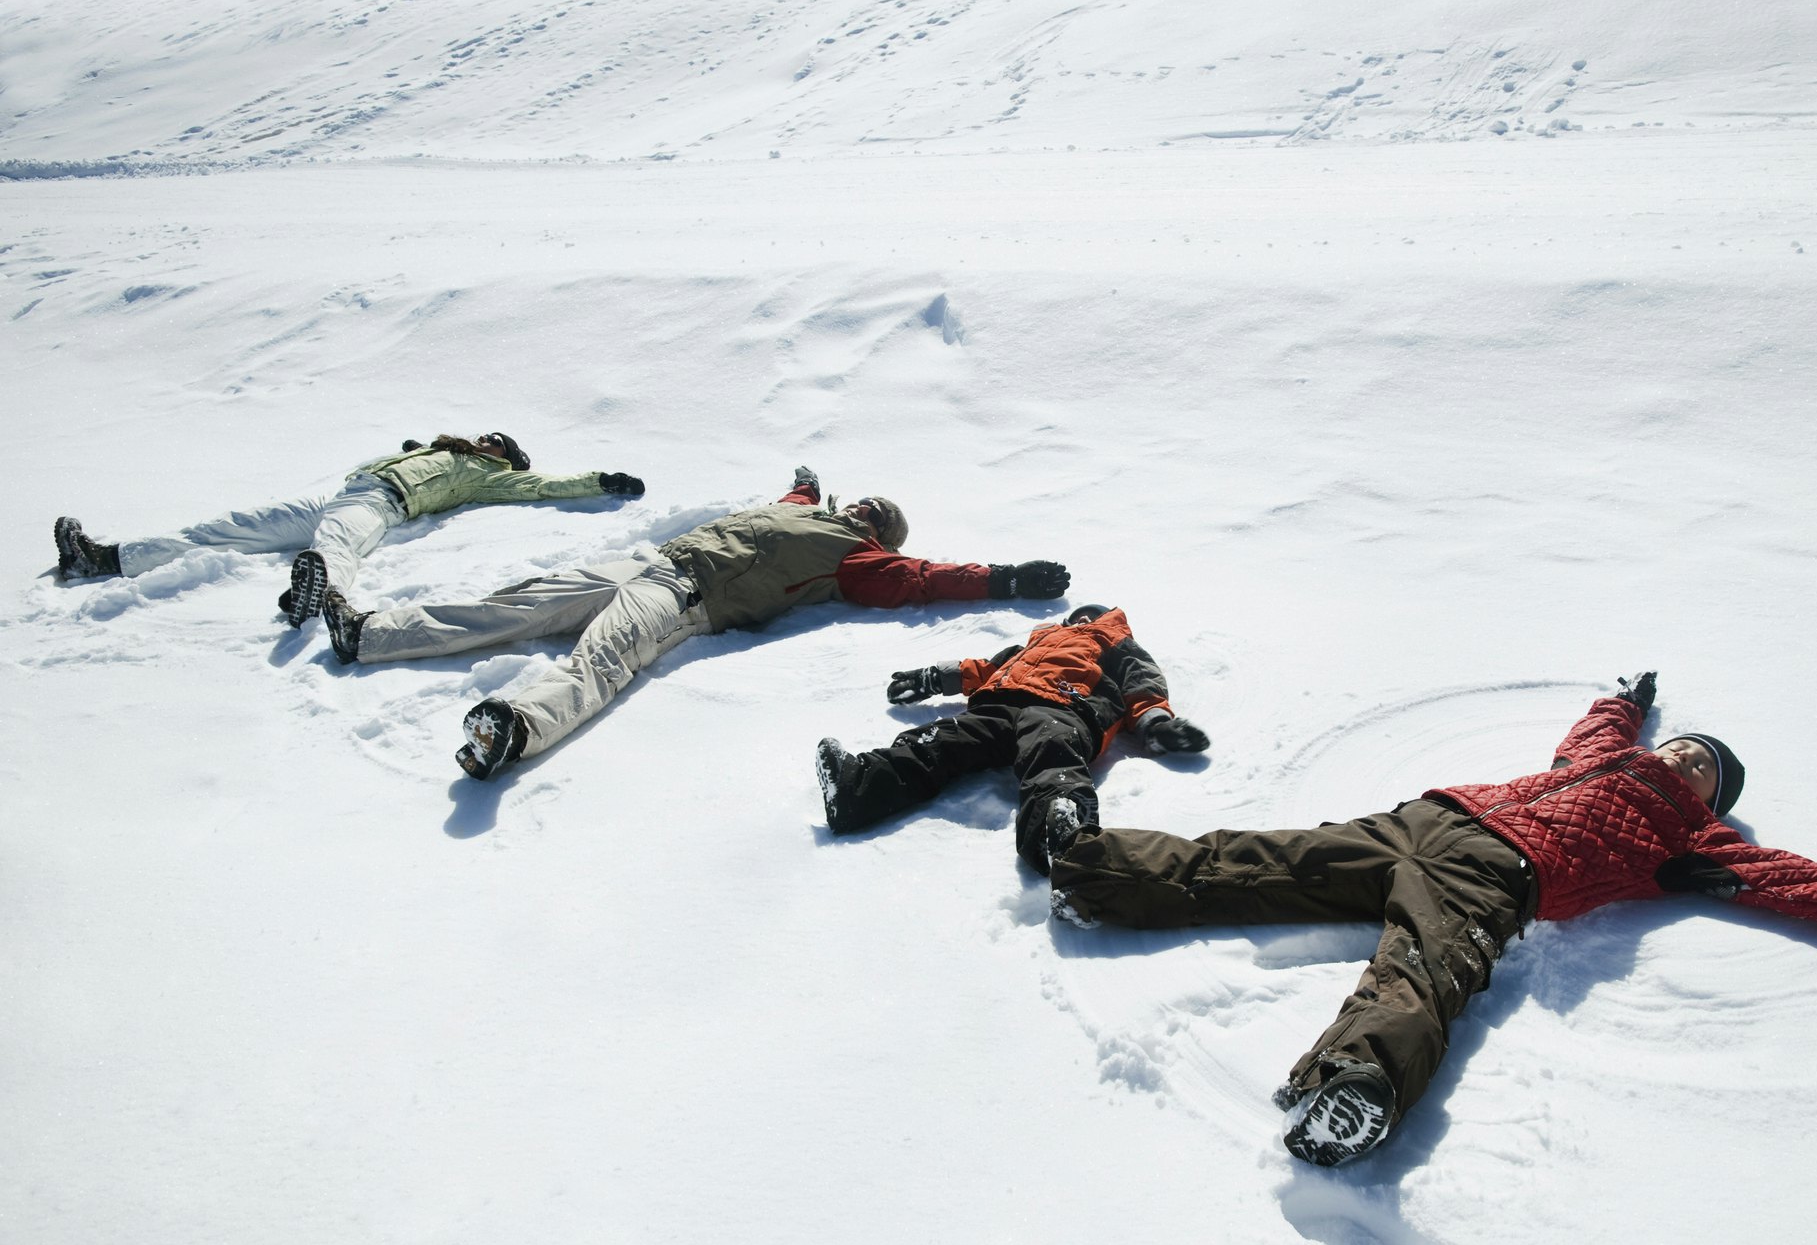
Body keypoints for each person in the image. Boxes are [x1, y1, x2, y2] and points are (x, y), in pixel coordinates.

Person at [1046, 672, 1817, 1168]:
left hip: (1501, 874)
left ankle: (1357, 1085)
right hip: (1432, 816)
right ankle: (1091, 866)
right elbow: (1597, 730)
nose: (1689, 760)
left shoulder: (1690, 840)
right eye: (1689, 748)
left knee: (1424, 969)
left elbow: (1798, 879)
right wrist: (1625, 701)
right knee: (1258, 858)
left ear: (1712, 796)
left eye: (1707, 766)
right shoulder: (1599, 757)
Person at [325, 467, 1071, 780]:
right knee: (512, 605)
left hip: (689, 596)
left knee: (603, 658)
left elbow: (927, 582)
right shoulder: (806, 510)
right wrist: (807, 482)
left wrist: (1004, 578)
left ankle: (515, 728)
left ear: (881, 537)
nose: (863, 512)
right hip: (650, 562)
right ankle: (369, 635)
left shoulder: (860, 561)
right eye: (865, 503)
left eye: (877, 518)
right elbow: (794, 494)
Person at [51, 433, 644, 624]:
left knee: (337, 543)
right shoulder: (434, 446)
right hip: (344, 492)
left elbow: (541, 487)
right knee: (227, 528)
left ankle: (319, 593)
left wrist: (599, 479)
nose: (488, 440)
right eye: (490, 435)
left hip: (385, 503)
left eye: (498, 443)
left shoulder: (488, 475)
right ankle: (105, 559)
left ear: (503, 458)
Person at [814, 604, 1211, 871]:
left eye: (1089, 617)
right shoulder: (1032, 645)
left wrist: (1155, 725)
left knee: (1052, 749)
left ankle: (1060, 828)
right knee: (942, 739)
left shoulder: (1112, 643)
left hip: (1064, 708)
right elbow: (983, 669)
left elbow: (1142, 681)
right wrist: (931, 677)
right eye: (1076, 618)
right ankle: (858, 787)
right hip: (996, 707)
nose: (1079, 622)